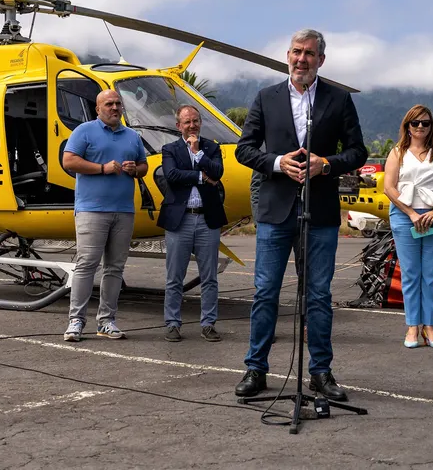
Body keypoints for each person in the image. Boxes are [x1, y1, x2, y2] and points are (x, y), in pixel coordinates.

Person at [234, 28, 368, 400]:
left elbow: (357, 152)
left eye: (309, 53)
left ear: (321, 60)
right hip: (275, 211)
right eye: (296, 52)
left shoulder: (338, 99)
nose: (301, 59)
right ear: (287, 55)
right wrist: (277, 163)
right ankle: (256, 369)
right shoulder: (266, 97)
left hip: (320, 212)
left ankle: (321, 373)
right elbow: (244, 150)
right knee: (264, 292)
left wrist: (325, 165)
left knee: (319, 295)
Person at [61, 89, 148, 342]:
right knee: (87, 264)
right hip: (91, 210)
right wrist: (102, 168)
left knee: (115, 268)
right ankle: (76, 321)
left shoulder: (132, 136)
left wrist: (135, 169)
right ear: (98, 109)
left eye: (118, 103)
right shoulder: (84, 131)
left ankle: (107, 321)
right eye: (108, 104)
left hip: (123, 211)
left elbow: (144, 166)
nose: (114, 107)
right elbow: (68, 161)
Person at [383, 105, 433, 348]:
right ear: (407, 126)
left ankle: (430, 328)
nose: (420, 127)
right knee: (411, 273)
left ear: (431, 126)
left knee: (430, 274)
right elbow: (390, 188)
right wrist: (412, 213)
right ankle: (412, 327)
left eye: (425, 123)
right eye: (415, 123)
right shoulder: (397, 153)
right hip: (406, 216)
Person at [158, 104, 227, 343]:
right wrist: (200, 176)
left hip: (207, 220)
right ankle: (172, 323)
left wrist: (198, 154)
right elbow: (172, 175)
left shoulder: (211, 148)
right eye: (187, 122)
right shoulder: (170, 149)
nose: (192, 125)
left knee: (209, 277)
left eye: (196, 121)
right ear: (178, 126)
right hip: (180, 220)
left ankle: (208, 324)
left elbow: (218, 173)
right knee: (175, 276)